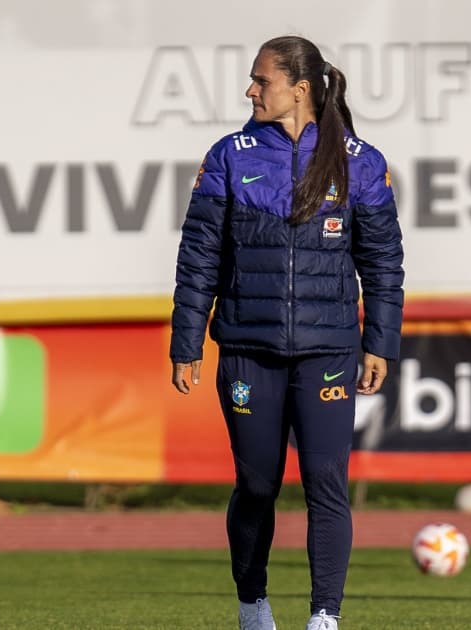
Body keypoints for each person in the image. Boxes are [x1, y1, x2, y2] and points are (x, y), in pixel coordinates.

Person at [170, 35, 404, 630]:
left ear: (300, 89)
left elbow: (382, 262)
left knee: (327, 483)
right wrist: (187, 340)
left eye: (261, 80)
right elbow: (198, 255)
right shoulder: (230, 155)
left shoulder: (361, 161)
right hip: (249, 349)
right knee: (256, 485)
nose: (250, 90)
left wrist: (380, 340)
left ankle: (325, 618)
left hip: (329, 349)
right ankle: (254, 608)